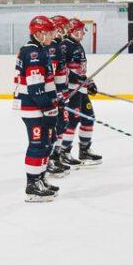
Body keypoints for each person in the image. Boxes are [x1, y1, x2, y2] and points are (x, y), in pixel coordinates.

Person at [14, 15, 63, 203]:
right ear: (39, 33)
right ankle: (32, 186)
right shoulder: (33, 52)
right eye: (49, 31)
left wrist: (54, 103)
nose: (53, 34)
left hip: (41, 107)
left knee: (46, 142)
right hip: (34, 108)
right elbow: (35, 88)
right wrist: (49, 108)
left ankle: (41, 178)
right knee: (37, 144)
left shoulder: (40, 50)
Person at [51, 16, 101, 169]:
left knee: (89, 118)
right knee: (72, 121)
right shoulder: (65, 45)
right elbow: (63, 70)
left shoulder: (76, 45)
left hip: (81, 89)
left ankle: (84, 150)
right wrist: (79, 79)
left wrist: (88, 82)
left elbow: (79, 70)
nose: (83, 33)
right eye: (79, 30)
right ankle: (64, 151)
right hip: (72, 90)